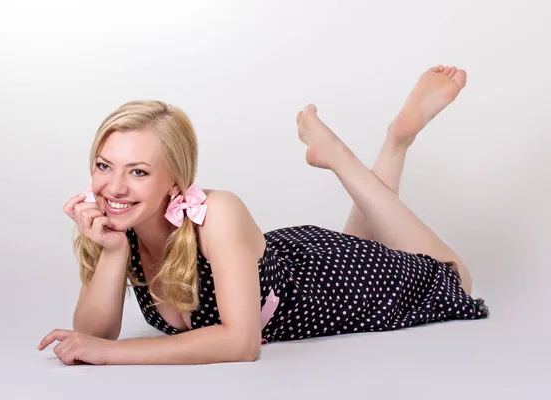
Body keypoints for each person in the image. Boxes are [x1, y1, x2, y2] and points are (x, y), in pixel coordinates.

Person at [36, 65, 489, 365]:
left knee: (453, 276)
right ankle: (385, 146)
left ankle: (381, 142)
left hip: (330, 280)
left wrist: (116, 357)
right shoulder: (124, 227)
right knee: (369, 242)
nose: (113, 187)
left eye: (137, 171)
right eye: (104, 165)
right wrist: (113, 253)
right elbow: (93, 335)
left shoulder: (219, 212)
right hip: (294, 261)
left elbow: (242, 343)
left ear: (175, 182)